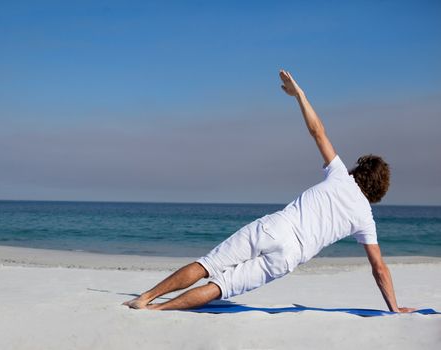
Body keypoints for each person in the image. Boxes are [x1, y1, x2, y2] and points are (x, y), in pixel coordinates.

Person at [123, 70, 415, 313]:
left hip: (275, 227)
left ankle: (145, 297)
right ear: (379, 190)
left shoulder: (339, 175)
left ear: (358, 171)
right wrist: (394, 307)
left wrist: (299, 95)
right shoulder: (365, 217)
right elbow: (379, 267)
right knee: (220, 287)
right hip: (290, 255)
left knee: (207, 265)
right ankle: (157, 311)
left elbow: (318, 132)